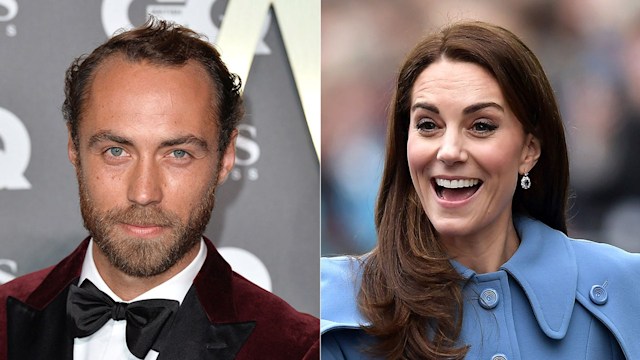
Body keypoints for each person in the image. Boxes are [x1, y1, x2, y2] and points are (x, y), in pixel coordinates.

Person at [0, 18, 318, 360]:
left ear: (226, 157)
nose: (144, 192)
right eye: (116, 152)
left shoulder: (296, 348)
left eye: (177, 154)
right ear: (74, 149)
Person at [321, 21, 640, 359]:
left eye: (481, 126)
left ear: (529, 150)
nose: (449, 151)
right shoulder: (330, 301)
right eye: (428, 125)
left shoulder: (625, 288)